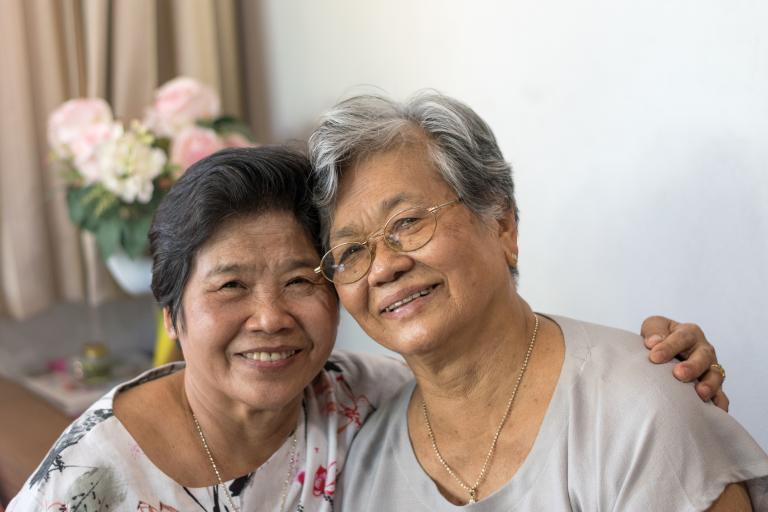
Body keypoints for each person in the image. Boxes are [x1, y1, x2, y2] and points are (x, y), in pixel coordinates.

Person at [8, 146, 727, 512]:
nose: (270, 318)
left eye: (302, 279)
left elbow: (475, 374)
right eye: (230, 287)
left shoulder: (353, 401)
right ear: (171, 316)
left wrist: (656, 365)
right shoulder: (91, 479)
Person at [308, 93, 768, 510]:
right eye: (350, 252)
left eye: (407, 222)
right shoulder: (360, 460)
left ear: (502, 223)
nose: (384, 267)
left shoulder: (640, 414)